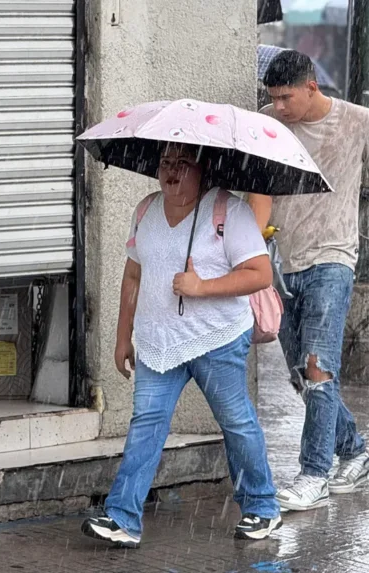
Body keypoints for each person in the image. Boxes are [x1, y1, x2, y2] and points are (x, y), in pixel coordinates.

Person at [82, 144, 281, 548]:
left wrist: (202, 287)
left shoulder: (229, 212)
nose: (171, 172)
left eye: (183, 164)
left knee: (236, 423)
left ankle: (262, 505)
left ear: (203, 168)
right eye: (165, 164)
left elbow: (260, 274)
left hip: (218, 339)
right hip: (159, 342)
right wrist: (123, 336)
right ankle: (123, 517)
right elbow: (133, 276)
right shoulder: (146, 210)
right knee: (146, 424)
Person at [249, 50, 369, 511]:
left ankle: (313, 475)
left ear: (312, 87)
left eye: (285, 97)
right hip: (282, 263)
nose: (279, 107)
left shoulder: (356, 121)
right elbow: (257, 191)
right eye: (272, 97)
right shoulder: (268, 123)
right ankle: (355, 451)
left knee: (318, 367)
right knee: (302, 377)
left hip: (333, 259)